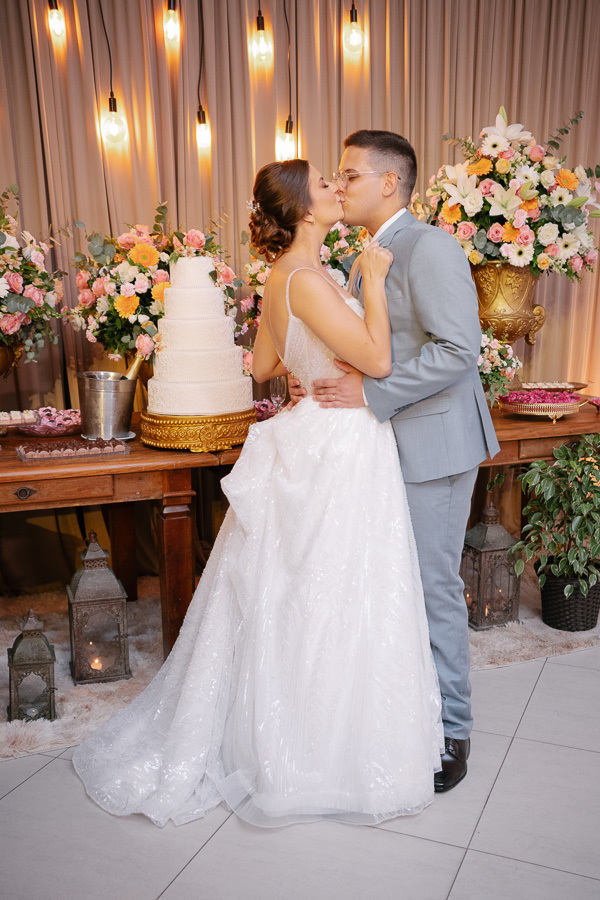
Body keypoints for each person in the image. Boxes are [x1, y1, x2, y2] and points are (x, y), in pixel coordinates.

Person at [73, 159, 444, 829]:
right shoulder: (310, 279)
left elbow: (268, 366)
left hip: (320, 435)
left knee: (305, 590)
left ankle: (306, 733)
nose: (337, 189)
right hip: (341, 446)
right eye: (326, 185)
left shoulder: (287, 279)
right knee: (336, 590)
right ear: (303, 210)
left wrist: (302, 373)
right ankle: (320, 752)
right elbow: (379, 363)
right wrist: (380, 285)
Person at [290, 131, 500, 792]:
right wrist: (321, 376)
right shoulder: (365, 256)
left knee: (432, 587)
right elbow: (375, 345)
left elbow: (458, 350)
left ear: (389, 183)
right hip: (386, 448)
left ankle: (453, 735)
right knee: (395, 589)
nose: (340, 185)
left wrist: (369, 390)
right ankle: (410, 716)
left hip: (434, 446)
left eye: (350, 174)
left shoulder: (429, 247)